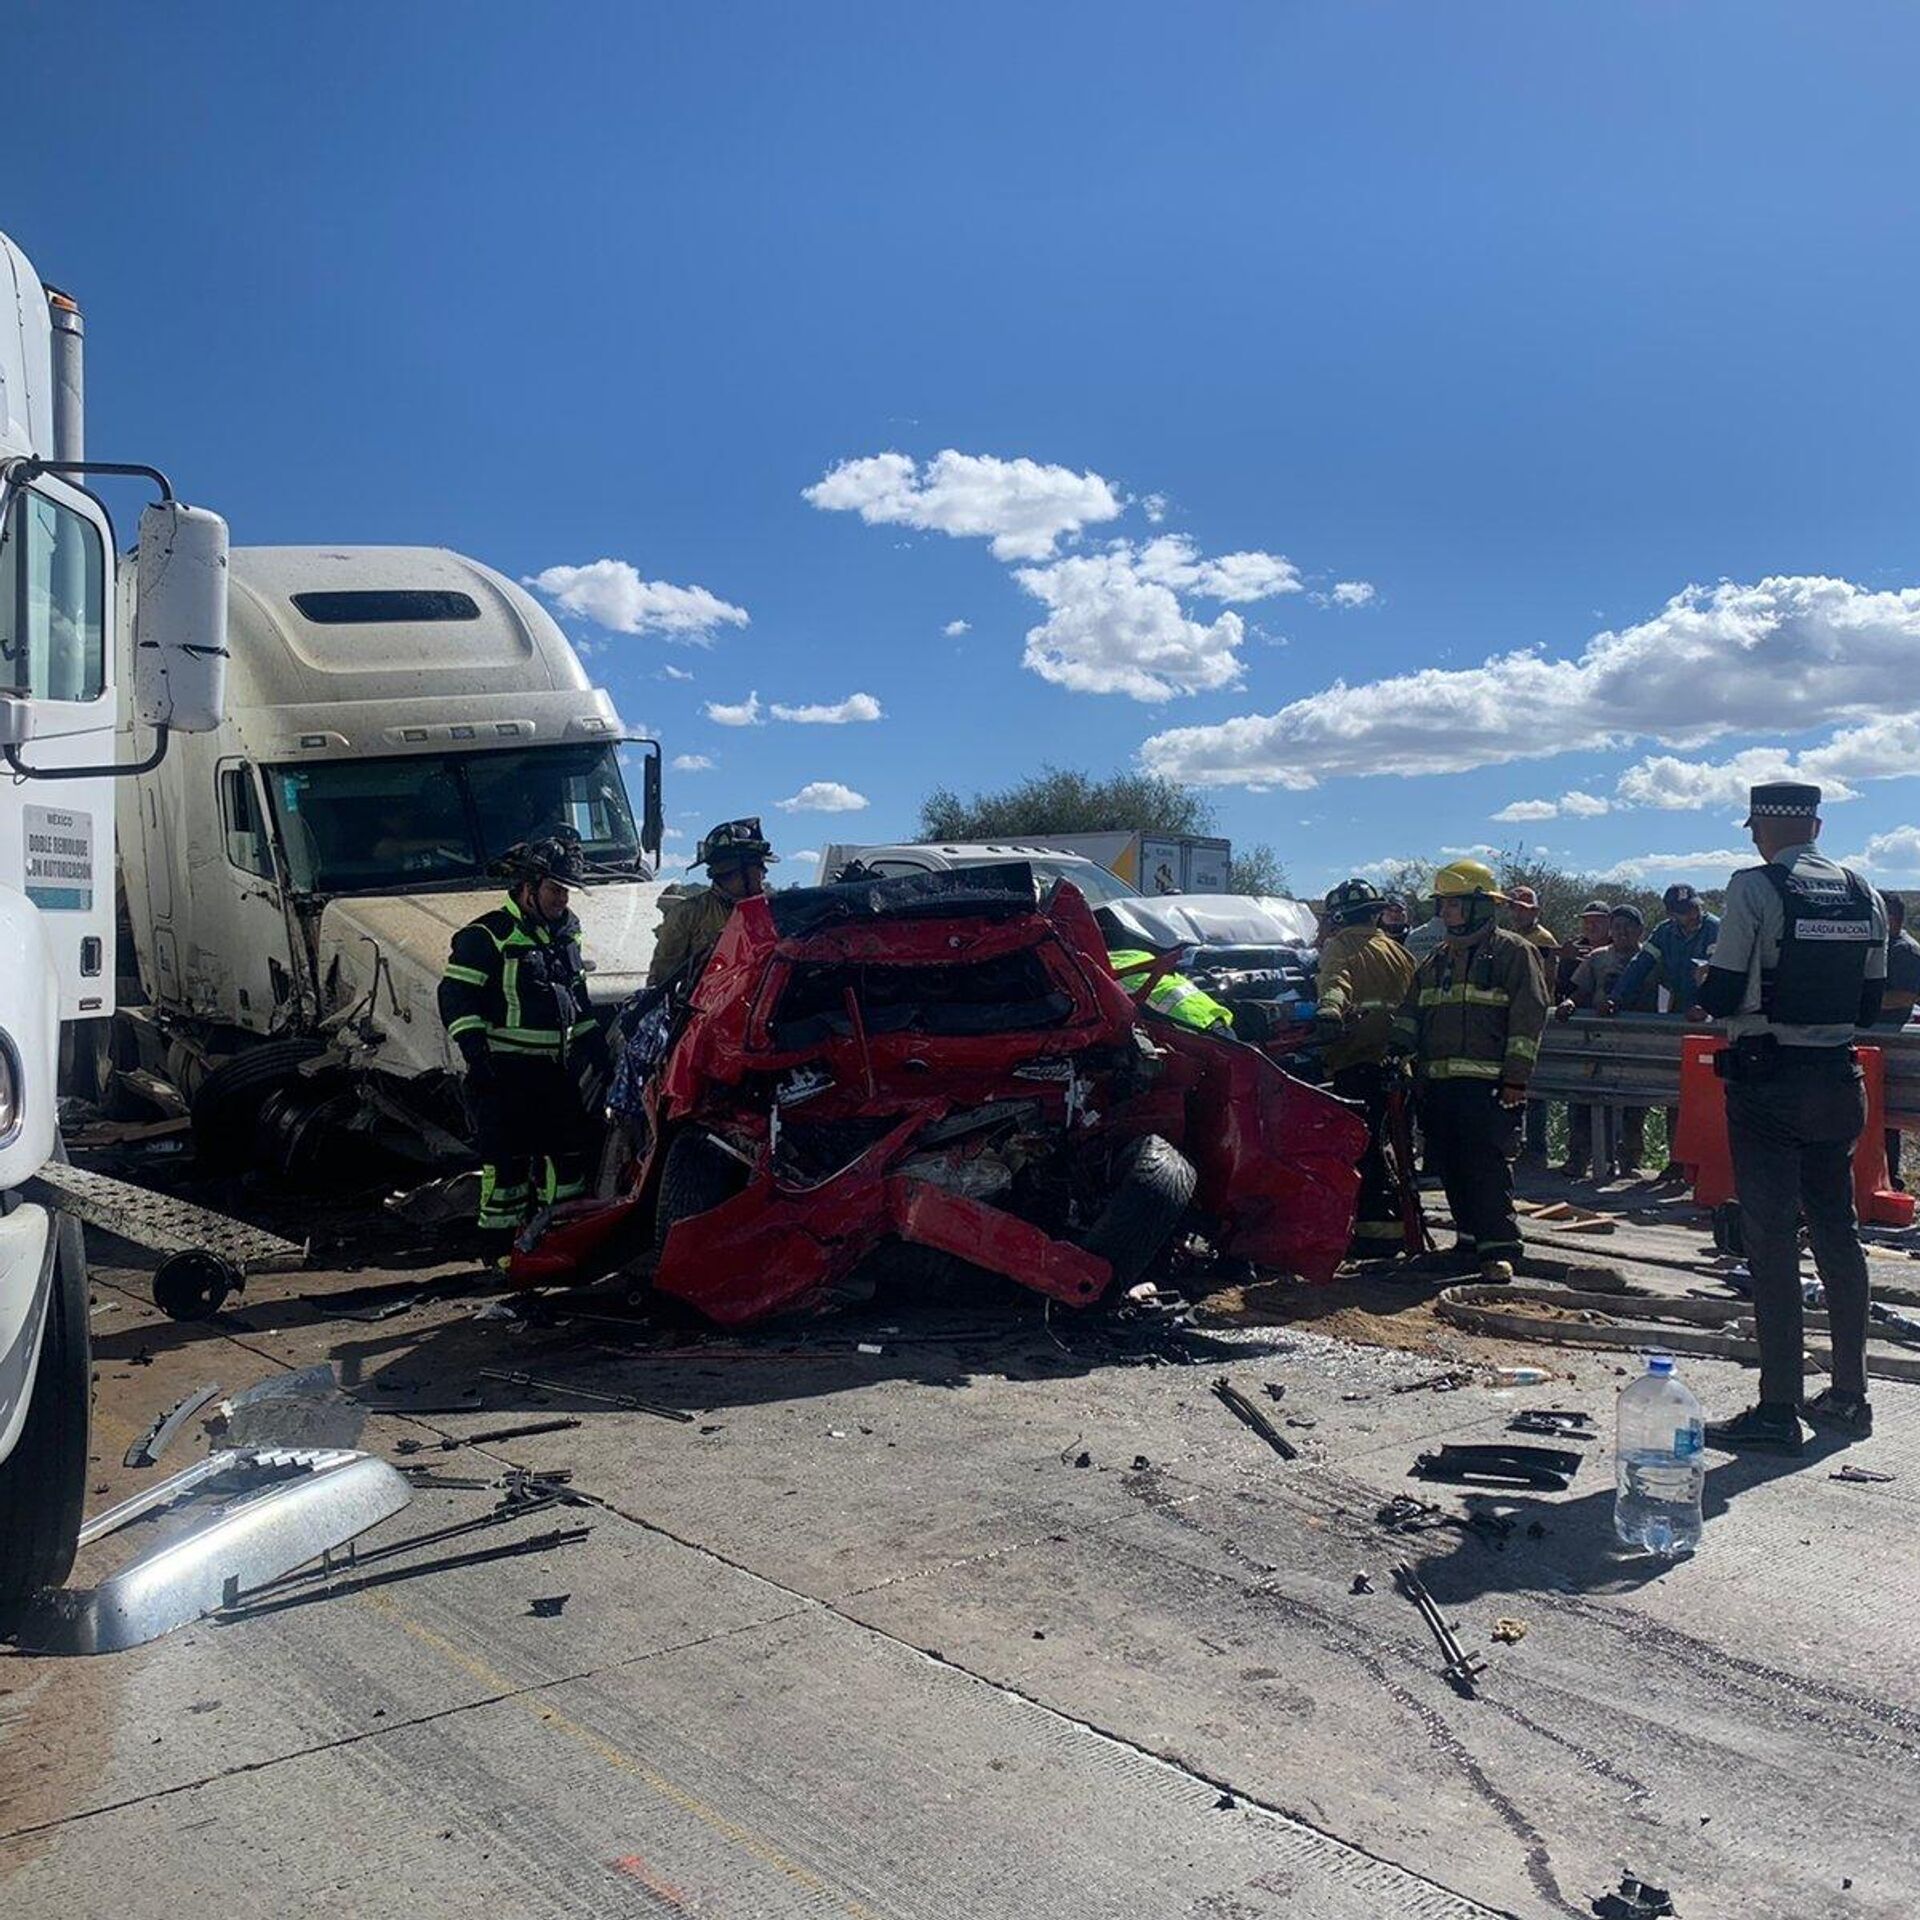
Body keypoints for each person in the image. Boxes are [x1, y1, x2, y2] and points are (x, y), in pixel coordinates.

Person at [1695, 782, 1887, 1453]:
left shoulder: (1753, 888)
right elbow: (1869, 1005)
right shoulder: (1863, 891)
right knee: (1840, 1233)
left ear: (1765, 827)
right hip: (1840, 1079)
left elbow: (1720, 990)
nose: (1751, 836)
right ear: (1818, 825)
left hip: (1768, 1082)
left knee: (1771, 1241)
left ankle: (1777, 1409)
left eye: (1753, 826)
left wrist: (1710, 989)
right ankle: (1849, 1398)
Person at [438, 834, 608, 1244]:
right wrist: (476, 1054)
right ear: (527, 887)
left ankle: (556, 1243)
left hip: (557, 1071)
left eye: (567, 891)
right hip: (505, 1072)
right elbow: (456, 996)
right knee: (507, 1170)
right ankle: (501, 1251)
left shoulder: (568, 932)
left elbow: (576, 997)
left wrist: (596, 1049)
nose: (562, 900)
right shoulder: (487, 935)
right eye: (555, 889)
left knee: (567, 1162)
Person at [1389, 859, 1549, 1281]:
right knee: (1451, 1166)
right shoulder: (1437, 961)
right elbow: (1411, 1012)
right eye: (1442, 905)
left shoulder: (1515, 952)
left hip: (1490, 1086)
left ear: (1480, 906)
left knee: (1485, 1165)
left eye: (1453, 905)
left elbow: (1528, 1017)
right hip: (1440, 1085)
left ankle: (1499, 1247)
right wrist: (1398, 1048)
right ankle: (1467, 1245)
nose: (1445, 914)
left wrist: (1516, 1077)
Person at [1313, 879, 1419, 1256]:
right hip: (1397, 1068)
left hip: (1355, 1061)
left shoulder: (1339, 947)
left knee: (1362, 1148)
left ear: (1339, 916)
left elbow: (1335, 981)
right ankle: (1401, 1226)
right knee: (1393, 1146)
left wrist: (1328, 1011)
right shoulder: (1400, 953)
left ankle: (1374, 1234)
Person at [1613, 883, 1721, 1179]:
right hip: (1678, 1019)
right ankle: (1676, 1162)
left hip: (1712, 1023)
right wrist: (1616, 997)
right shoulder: (1664, 932)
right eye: (1685, 911)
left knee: (1702, 1097)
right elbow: (1640, 965)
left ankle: (1699, 1167)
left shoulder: (1716, 929)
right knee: (1675, 1091)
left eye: (1695, 907)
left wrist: (1707, 1006)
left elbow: (1726, 974)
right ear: (1672, 913)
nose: (1693, 914)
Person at [1557, 905, 1662, 1177]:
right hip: (1598, 1041)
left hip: (1638, 1043)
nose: (1622, 932)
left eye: (1628, 927)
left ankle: (1630, 1162)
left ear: (1641, 930)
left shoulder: (1653, 960)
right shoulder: (1597, 958)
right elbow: (1581, 992)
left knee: (1635, 1105)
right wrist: (1568, 1003)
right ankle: (1579, 1158)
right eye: (1616, 927)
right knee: (1584, 1100)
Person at [648, 817, 776, 988]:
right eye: (758, 867)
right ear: (733, 872)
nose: (764, 874)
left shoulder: (775, 914)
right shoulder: (688, 915)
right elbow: (660, 983)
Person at [1504, 886, 1560, 1161]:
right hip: (1513, 1015)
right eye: (1514, 907)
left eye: (1524, 908)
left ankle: (1537, 1148)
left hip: (1533, 1017)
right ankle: (1519, 1143)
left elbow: (1544, 982)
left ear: (1535, 911)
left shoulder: (1543, 939)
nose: (1518, 913)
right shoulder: (1512, 937)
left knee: (1535, 1087)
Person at [1876, 894, 1920, 1189]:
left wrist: (1861, 1001)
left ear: (1891, 918)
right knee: (1879, 1117)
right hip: (1882, 1043)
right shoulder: (1887, 946)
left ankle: (1891, 1178)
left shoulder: (1904, 950)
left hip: (1893, 1044)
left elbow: (1905, 995)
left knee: (1889, 1116)